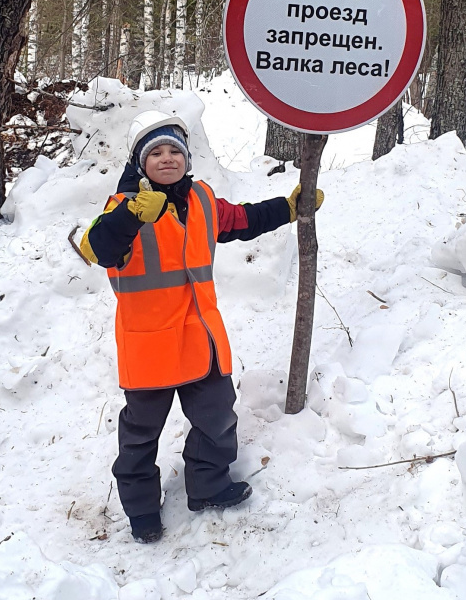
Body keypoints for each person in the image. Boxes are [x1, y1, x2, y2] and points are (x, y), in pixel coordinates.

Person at [80, 112, 324, 544]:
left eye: (175, 150)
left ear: (188, 159)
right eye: (155, 152)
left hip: (201, 342)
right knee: (140, 437)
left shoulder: (202, 200)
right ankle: (141, 513)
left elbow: (240, 221)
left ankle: (208, 487)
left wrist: (287, 208)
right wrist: (134, 215)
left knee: (217, 420)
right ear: (140, 162)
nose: (167, 158)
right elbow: (98, 247)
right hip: (149, 347)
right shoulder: (122, 207)